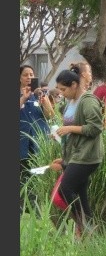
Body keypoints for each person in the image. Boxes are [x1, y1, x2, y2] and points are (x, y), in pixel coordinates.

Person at [49, 67, 105, 238]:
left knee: (65, 189)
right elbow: (72, 130)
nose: (61, 93)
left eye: (63, 89)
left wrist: (69, 128)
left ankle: (83, 227)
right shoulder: (70, 102)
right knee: (81, 194)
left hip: (87, 156)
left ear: (74, 85)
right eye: (58, 89)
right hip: (75, 154)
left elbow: (95, 128)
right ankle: (89, 232)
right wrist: (61, 136)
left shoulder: (88, 101)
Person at [19, 64, 56, 213]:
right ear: (19, 78)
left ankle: (36, 208)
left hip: (38, 144)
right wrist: (24, 98)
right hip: (21, 144)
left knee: (37, 176)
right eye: (25, 75)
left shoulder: (40, 95)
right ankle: (22, 207)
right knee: (22, 177)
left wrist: (45, 102)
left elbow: (51, 116)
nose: (29, 77)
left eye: (31, 74)